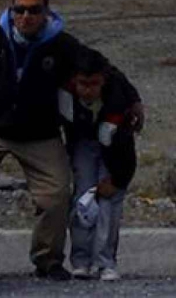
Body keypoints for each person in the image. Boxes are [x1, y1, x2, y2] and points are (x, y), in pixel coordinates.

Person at [0, 0, 143, 279]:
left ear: (46, 12)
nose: (26, 16)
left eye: (34, 10)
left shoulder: (61, 44)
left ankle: (47, 260)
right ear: (11, 10)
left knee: (57, 195)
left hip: (40, 133)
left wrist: (133, 99)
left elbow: (103, 68)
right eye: (19, 10)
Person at [60, 49, 138, 282]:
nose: (88, 90)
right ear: (74, 80)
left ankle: (105, 262)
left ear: (103, 82)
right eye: (83, 84)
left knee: (109, 201)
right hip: (82, 143)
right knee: (82, 199)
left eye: (94, 84)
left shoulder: (117, 99)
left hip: (112, 146)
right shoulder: (63, 95)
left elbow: (124, 148)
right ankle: (80, 260)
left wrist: (117, 179)